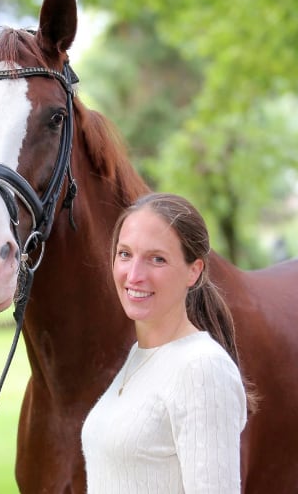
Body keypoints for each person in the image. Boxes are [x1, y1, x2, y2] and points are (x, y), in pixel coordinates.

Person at [81, 192, 251, 493]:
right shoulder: (141, 356)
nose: (134, 275)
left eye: (156, 259)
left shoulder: (202, 369)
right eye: (125, 254)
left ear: (193, 271)